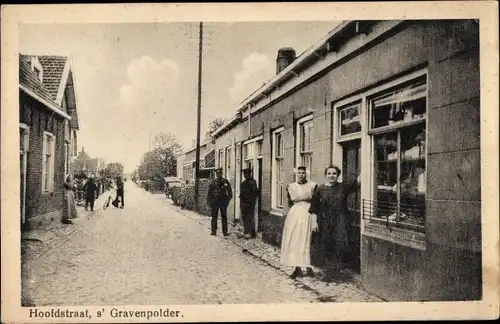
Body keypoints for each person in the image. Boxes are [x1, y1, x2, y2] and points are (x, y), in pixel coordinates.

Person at [309, 165, 360, 271]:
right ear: (326, 175)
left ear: (338, 175)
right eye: (329, 173)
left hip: (340, 220)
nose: (331, 176)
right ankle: (327, 270)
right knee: (325, 243)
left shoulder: (343, 187)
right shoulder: (320, 188)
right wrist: (314, 223)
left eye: (334, 173)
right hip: (324, 220)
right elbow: (314, 207)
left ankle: (337, 269)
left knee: (339, 243)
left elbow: (356, 183)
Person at [280, 166, 319, 279]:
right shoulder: (291, 187)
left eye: (303, 173)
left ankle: (308, 266)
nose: (301, 175)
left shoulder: (312, 185)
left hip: (308, 213)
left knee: (306, 239)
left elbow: (315, 202)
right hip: (295, 214)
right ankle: (297, 268)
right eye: (299, 173)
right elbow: (290, 202)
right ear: (296, 174)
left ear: (306, 174)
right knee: (294, 239)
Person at [206, 168, 233, 236]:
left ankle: (225, 232)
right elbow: (209, 193)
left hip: (223, 202)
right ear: (216, 174)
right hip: (215, 202)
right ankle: (213, 231)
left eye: (220, 173)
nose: (219, 175)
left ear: (221, 174)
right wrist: (210, 202)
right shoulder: (213, 182)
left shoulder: (225, 181)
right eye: (217, 173)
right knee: (214, 217)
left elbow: (230, 191)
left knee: (224, 217)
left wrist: (227, 200)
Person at [239, 168, 259, 239]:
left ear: (249, 174)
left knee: (250, 218)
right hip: (243, 204)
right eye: (244, 174)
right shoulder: (243, 183)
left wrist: (252, 203)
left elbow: (255, 193)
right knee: (244, 218)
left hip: (250, 204)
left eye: (246, 174)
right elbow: (241, 195)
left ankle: (250, 233)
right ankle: (246, 232)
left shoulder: (253, 182)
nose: (245, 175)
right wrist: (241, 204)